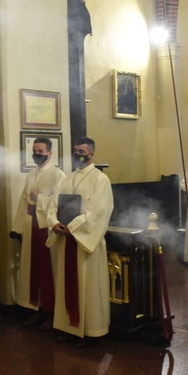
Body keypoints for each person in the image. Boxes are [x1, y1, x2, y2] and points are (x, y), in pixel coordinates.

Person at [46, 137, 113, 348]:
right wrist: (54, 222)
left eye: (81, 151)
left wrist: (72, 227)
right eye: (75, 151)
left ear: (92, 154)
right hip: (66, 240)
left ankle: (91, 330)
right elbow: (53, 204)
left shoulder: (100, 179)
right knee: (67, 284)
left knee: (88, 287)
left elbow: (99, 212)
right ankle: (69, 328)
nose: (77, 155)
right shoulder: (67, 179)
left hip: (85, 242)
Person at [11, 137, 66, 329]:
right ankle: (35, 309)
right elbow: (23, 202)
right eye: (34, 151)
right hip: (31, 225)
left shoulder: (57, 175)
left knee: (47, 270)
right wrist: (18, 228)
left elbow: (59, 203)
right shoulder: (31, 174)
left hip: (45, 228)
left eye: (40, 151)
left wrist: (39, 198)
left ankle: (50, 313)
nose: (37, 155)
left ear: (50, 153)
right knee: (31, 269)